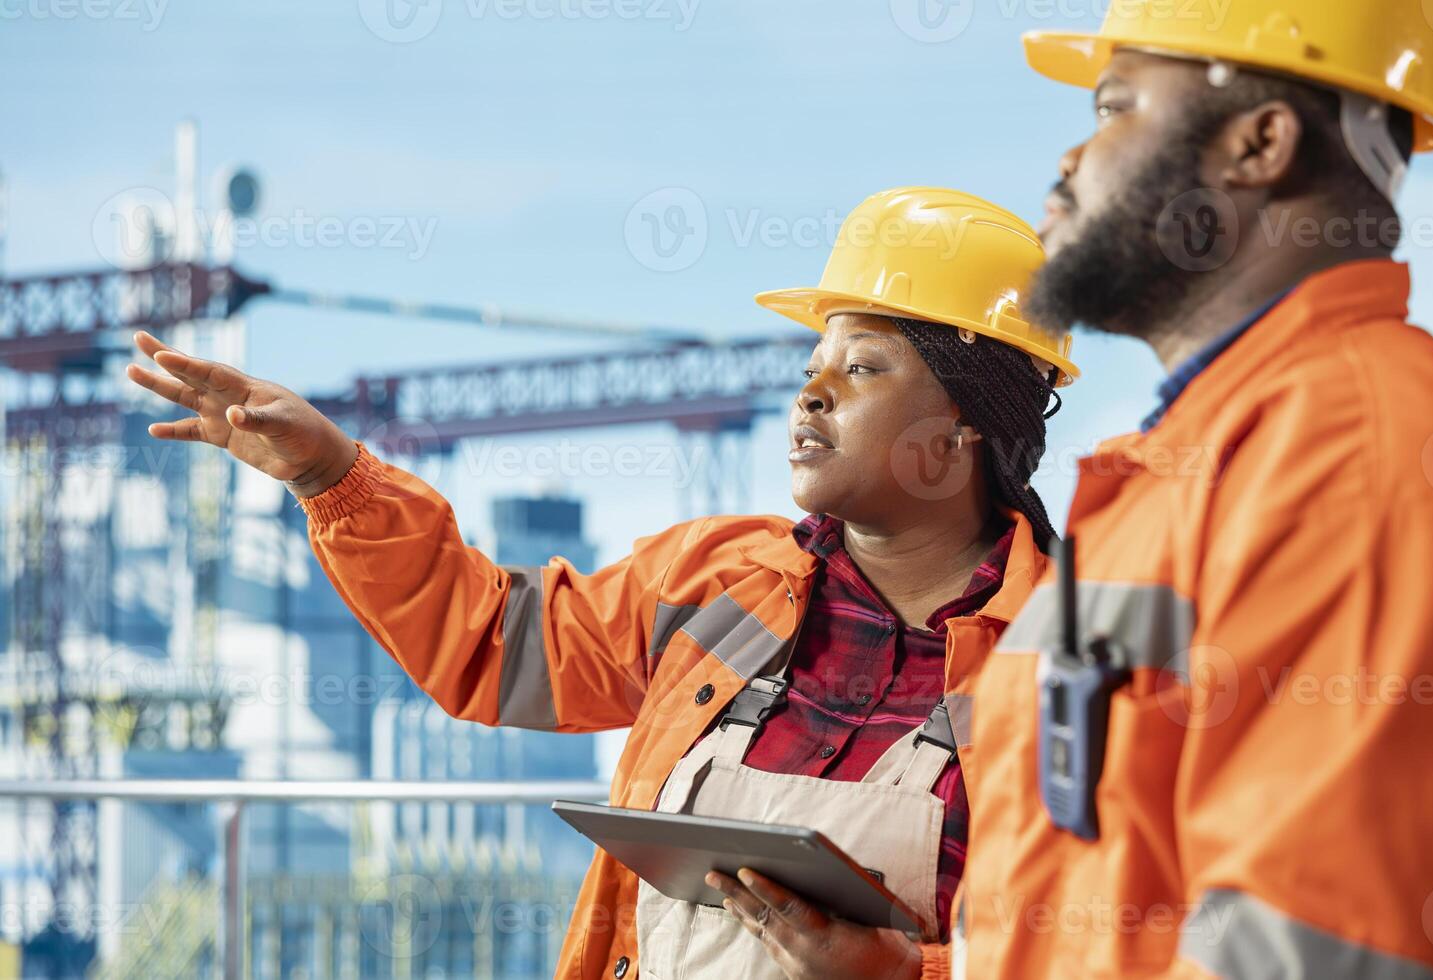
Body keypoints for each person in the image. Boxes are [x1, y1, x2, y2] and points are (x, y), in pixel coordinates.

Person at [125, 187, 1079, 979]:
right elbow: (491, 644)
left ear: (967, 428)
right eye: (812, 364)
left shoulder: (1073, 655)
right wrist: (331, 475)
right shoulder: (716, 581)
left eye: (863, 366)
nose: (811, 393)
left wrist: (911, 974)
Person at [952, 2, 1433, 977]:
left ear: (1258, 142)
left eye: (1116, 107)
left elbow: (1313, 952)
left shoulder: (1352, 456)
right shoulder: (1205, 456)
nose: (1071, 159)